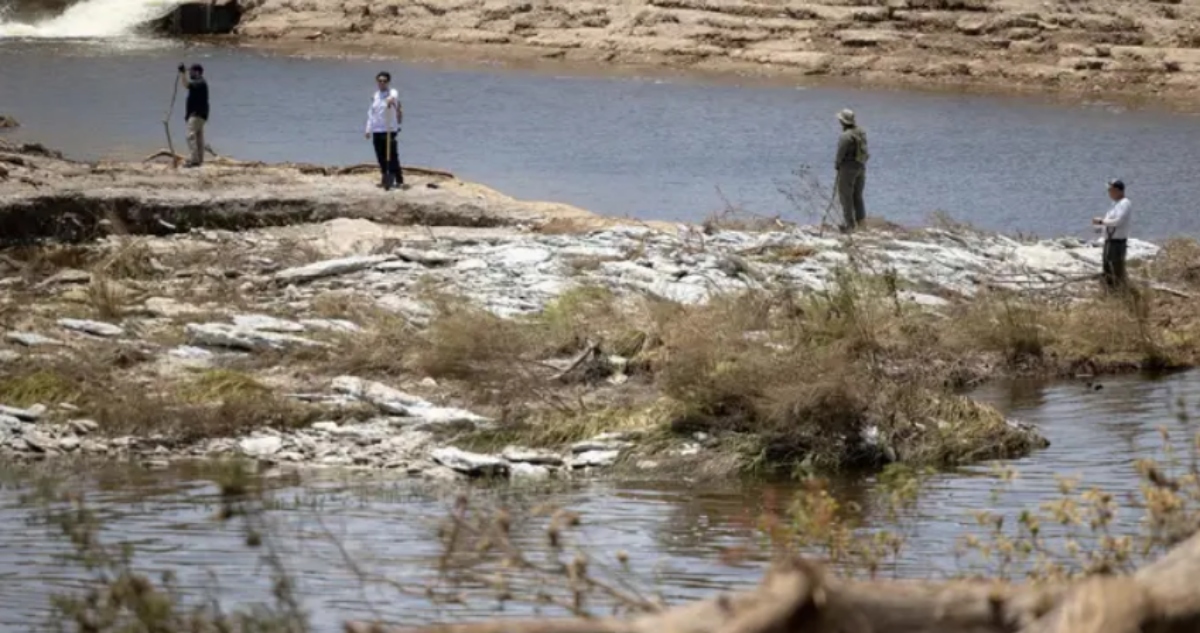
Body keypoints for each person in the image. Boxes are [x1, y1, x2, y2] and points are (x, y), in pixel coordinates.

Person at [364, 71, 404, 190]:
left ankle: (397, 179)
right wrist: (368, 129)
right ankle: (385, 176)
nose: (382, 83)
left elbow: (394, 95)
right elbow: (371, 114)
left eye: (384, 81)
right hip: (377, 130)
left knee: (391, 155)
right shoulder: (375, 96)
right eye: (380, 81)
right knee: (380, 155)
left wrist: (390, 99)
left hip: (389, 129)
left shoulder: (392, 92)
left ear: (388, 82)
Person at [1093, 179, 1132, 292]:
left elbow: (1118, 221)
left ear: (1118, 190)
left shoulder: (1125, 203)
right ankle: (1109, 292)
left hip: (1117, 243)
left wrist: (1101, 222)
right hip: (1109, 241)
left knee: (1116, 269)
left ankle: (1119, 293)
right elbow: (1108, 221)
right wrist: (1099, 228)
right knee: (1107, 269)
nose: (1109, 192)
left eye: (1111, 190)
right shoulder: (1114, 204)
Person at [834, 108, 869, 231]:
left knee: (846, 196)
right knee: (857, 196)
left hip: (848, 169)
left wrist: (837, 165)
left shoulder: (845, 136)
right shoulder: (861, 132)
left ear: (843, 121)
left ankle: (849, 226)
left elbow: (840, 154)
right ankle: (862, 224)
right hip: (861, 167)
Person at [178, 63, 209, 168]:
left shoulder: (199, 82)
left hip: (196, 114)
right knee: (198, 137)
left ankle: (194, 160)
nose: (189, 73)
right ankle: (199, 160)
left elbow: (186, 85)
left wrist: (182, 74)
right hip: (202, 114)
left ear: (197, 72)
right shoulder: (201, 82)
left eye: (191, 71)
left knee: (190, 136)